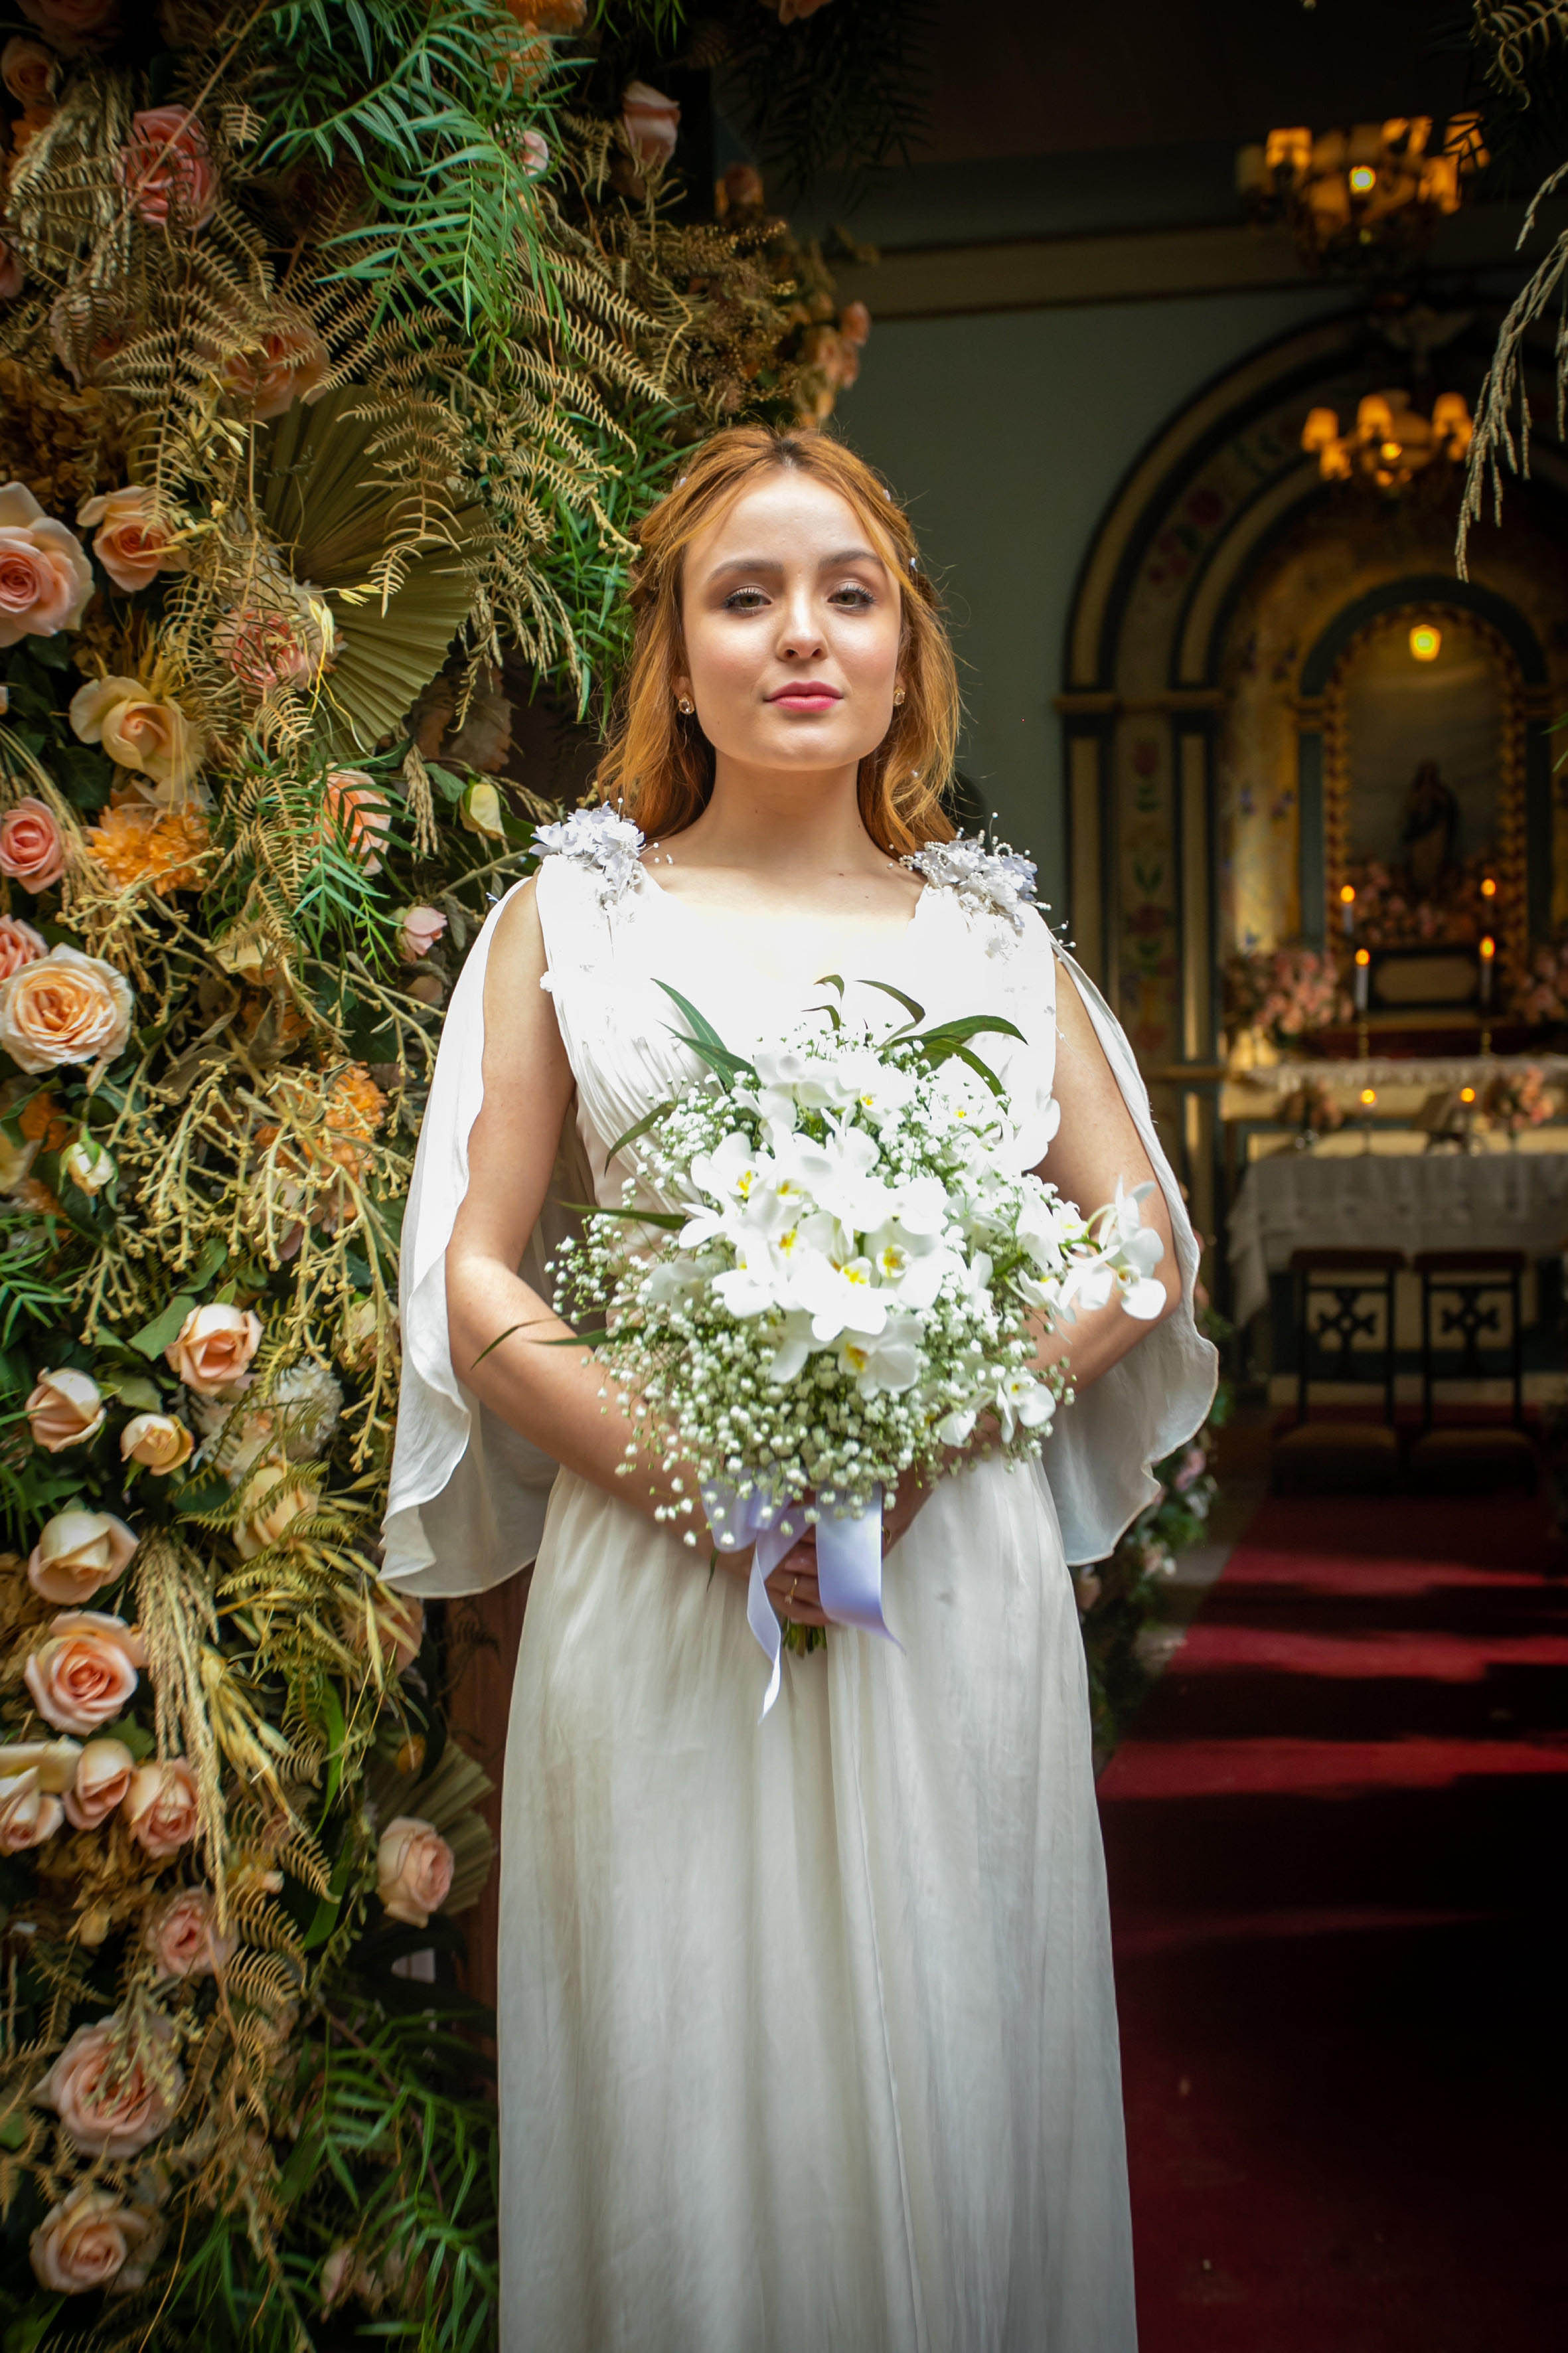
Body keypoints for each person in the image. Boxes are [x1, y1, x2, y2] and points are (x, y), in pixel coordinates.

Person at [383, 426, 1217, 2352]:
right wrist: (701, 1480)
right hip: (663, 1577)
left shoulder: (993, 939)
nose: (800, 636)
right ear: (674, 662)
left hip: (944, 1570)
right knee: (680, 2051)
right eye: (742, 599)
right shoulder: (564, 925)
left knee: (951, 2015)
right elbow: (476, 1271)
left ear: (907, 653)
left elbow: (1135, 1249)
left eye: (848, 594)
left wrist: (933, 1431)